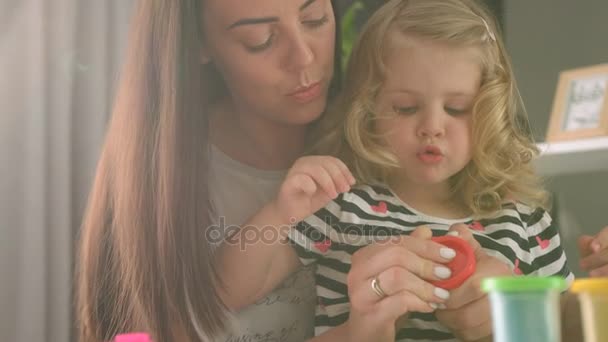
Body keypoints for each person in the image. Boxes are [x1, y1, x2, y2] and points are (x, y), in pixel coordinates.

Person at [216, 0, 608, 341]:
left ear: (489, 113)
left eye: (456, 108)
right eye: (405, 108)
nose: (432, 127)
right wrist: (281, 214)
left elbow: (574, 331)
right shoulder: (344, 206)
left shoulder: (528, 225)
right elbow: (220, 293)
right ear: (368, 111)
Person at [76, 0, 343, 341]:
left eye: (315, 19)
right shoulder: (162, 179)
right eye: (260, 39)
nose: (304, 56)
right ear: (199, 44)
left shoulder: (377, 144)